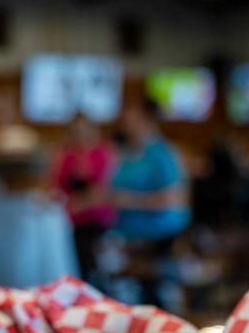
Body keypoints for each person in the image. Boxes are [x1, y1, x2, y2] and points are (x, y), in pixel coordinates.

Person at [112, 99, 191, 306]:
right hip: (123, 234)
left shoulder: (161, 154)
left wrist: (129, 200)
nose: (126, 125)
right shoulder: (125, 153)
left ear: (148, 122)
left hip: (158, 234)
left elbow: (175, 199)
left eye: (132, 120)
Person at [49, 114, 116, 283]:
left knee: (83, 250)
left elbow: (104, 190)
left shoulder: (102, 153)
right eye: (76, 131)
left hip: (95, 218)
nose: (80, 135)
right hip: (69, 218)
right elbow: (56, 185)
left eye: (84, 130)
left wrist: (77, 204)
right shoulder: (67, 155)